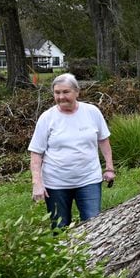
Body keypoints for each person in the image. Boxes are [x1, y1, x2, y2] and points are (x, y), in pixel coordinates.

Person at [29, 73, 114, 228]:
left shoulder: (92, 112)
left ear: (77, 92)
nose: (61, 97)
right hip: (56, 184)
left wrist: (109, 168)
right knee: (60, 228)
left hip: (89, 180)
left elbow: (103, 140)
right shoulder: (47, 118)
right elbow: (36, 153)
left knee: (93, 225)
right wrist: (37, 183)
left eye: (66, 92)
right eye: (57, 93)